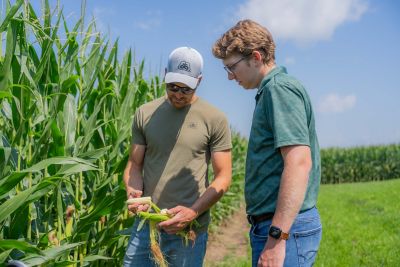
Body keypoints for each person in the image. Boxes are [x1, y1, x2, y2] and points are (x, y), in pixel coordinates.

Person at [212, 20, 322, 267]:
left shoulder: (278, 90)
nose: (230, 77)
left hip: (284, 229)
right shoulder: (271, 90)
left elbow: (299, 163)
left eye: (232, 67)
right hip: (278, 227)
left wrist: (277, 236)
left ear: (256, 57)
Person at [123, 46, 232, 267]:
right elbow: (134, 165)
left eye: (186, 89)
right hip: (146, 226)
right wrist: (133, 193)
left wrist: (192, 212)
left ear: (199, 81)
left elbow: (223, 177)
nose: (178, 94)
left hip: (189, 231)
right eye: (173, 87)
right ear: (165, 75)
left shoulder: (215, 118)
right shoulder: (145, 113)